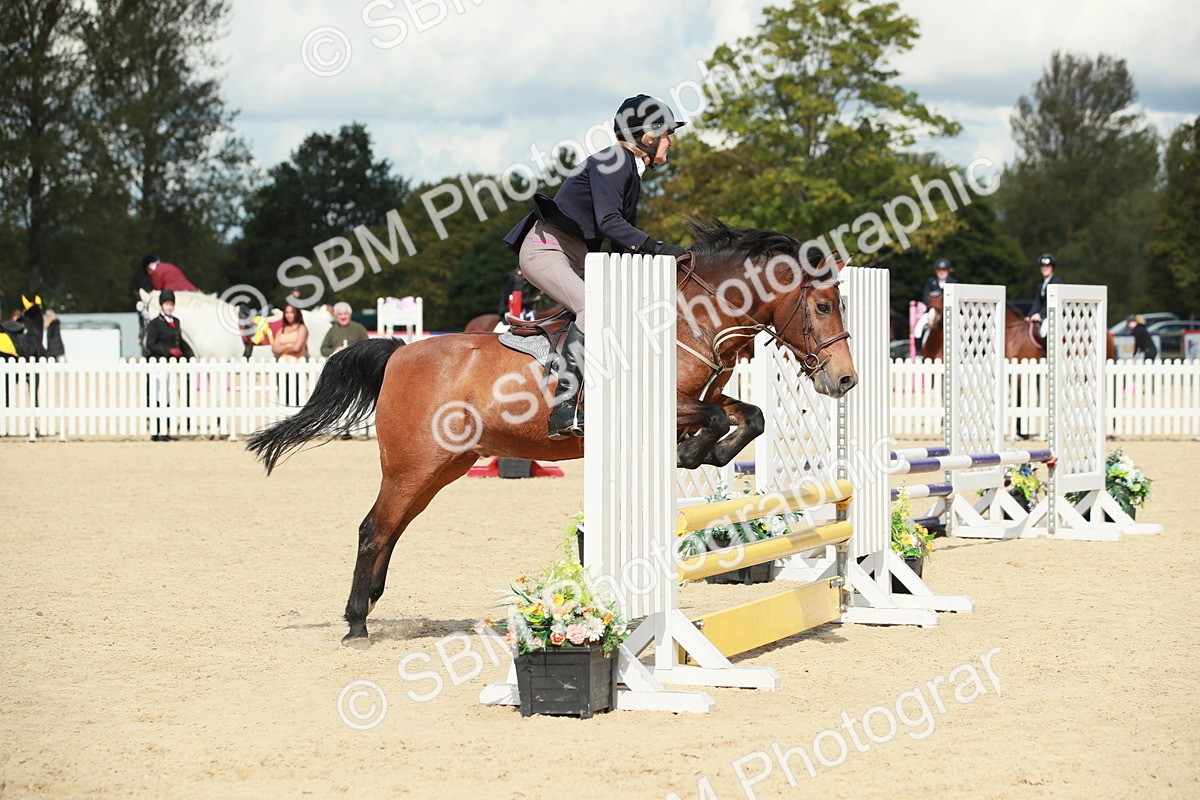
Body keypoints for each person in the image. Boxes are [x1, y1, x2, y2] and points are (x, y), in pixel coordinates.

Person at [502, 94, 688, 439]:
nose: (671, 141)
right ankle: (564, 406)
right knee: (594, 307)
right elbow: (609, 223)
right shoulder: (615, 160)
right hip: (547, 250)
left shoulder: (629, 170)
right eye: (667, 134)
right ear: (647, 136)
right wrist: (659, 248)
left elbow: (620, 244)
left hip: (577, 255)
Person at [143, 289, 191, 441]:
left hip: (172, 365)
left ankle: (166, 429)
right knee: (159, 396)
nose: (169, 307)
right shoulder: (155, 323)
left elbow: (178, 341)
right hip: (159, 363)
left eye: (171, 304)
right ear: (162, 305)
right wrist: (167, 350)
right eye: (166, 304)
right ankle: (157, 431)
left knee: (169, 396)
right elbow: (150, 344)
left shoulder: (176, 322)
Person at [1026, 253, 1063, 339]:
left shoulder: (1056, 282)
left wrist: (1040, 314)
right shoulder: (1040, 284)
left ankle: (1046, 352)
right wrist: (1030, 315)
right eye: (1042, 266)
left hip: (1053, 314)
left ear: (1052, 268)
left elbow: (1050, 303)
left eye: (1047, 266)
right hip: (1044, 314)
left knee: (1043, 331)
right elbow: (1037, 302)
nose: (1044, 268)